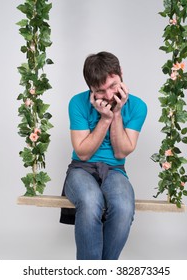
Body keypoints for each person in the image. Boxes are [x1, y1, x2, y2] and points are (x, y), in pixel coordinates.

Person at [60, 51, 147, 260]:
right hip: (81, 169)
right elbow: (82, 152)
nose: (109, 96)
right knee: (90, 201)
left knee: (124, 207)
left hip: (115, 170)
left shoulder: (138, 106)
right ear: (90, 89)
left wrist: (116, 114)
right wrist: (105, 119)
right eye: (100, 90)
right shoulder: (77, 103)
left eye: (113, 85)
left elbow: (121, 151)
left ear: (121, 75)